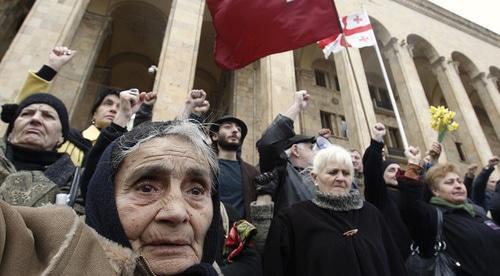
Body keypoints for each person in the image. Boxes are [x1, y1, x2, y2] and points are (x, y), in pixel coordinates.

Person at [0, 120, 222, 275]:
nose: (176, 213)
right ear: (103, 200)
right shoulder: (51, 248)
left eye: (195, 191)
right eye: (146, 188)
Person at [263, 144, 406, 276]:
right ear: (315, 178)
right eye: (332, 172)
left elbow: (394, 263)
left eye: (346, 173)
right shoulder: (293, 218)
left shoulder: (371, 213)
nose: (340, 178)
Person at [398, 147, 500, 276]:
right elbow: (409, 205)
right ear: (435, 191)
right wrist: (413, 165)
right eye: (449, 182)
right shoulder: (434, 218)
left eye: (459, 181)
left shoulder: (476, 211)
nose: (458, 185)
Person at [0, 93, 83, 212]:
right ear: (11, 131)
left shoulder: (75, 183)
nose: (35, 119)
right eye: (26, 113)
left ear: (61, 137)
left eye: (48, 116)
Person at [256, 90, 316, 213]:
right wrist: (296, 107)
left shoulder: (319, 178)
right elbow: (268, 143)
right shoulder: (281, 173)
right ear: (295, 150)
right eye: (310, 148)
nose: (315, 153)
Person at [362, 123, 412, 258]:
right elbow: (371, 172)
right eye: (391, 170)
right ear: (381, 175)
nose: (396, 173)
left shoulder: (408, 195)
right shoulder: (379, 195)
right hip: (398, 258)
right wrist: (377, 141)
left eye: (399, 170)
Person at [209, 115, 258, 220]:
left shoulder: (252, 172)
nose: (235, 130)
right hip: (212, 230)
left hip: (242, 234)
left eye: (238, 129)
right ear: (215, 136)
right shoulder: (206, 167)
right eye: (227, 127)